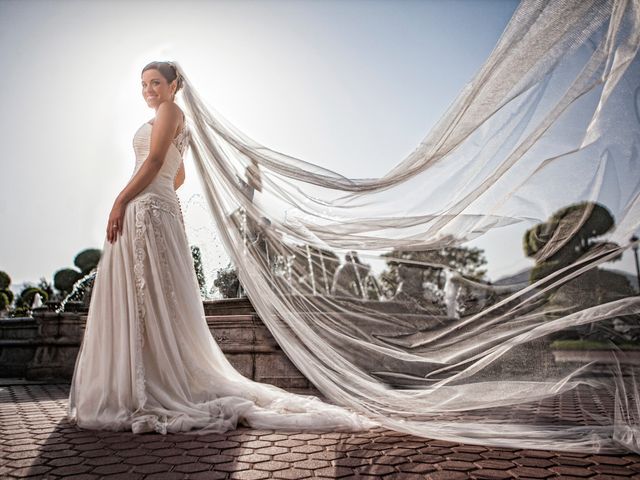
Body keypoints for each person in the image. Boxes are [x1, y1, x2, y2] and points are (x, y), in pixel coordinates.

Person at [66, 61, 377, 435]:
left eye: (155, 83)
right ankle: (146, 381)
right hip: (153, 206)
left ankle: (142, 386)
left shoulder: (169, 110)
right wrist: (159, 195)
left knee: (145, 298)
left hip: (145, 207)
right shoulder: (179, 121)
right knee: (150, 299)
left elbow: (152, 162)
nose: (148, 90)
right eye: (143, 84)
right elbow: (176, 173)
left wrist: (120, 201)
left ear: (173, 84)